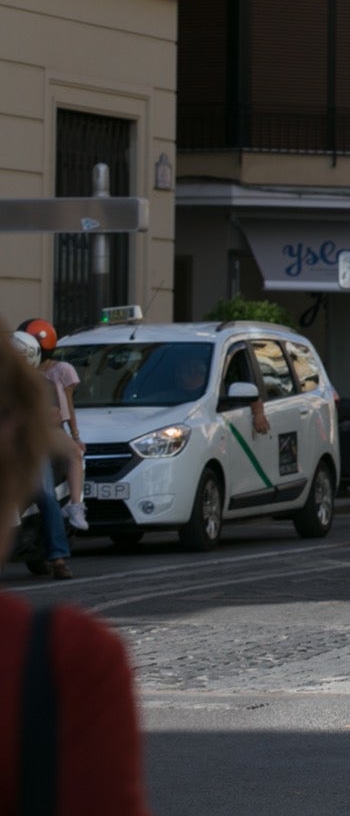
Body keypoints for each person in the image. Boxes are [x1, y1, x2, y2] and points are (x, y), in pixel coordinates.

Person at [0, 315, 153, 810]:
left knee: (49, 496)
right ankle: (61, 546)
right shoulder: (64, 660)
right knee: (46, 495)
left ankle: (61, 543)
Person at [17, 319, 87, 532]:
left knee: (74, 453)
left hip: (51, 428)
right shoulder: (21, 372)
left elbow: (68, 405)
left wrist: (75, 435)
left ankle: (76, 506)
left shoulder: (62, 369)